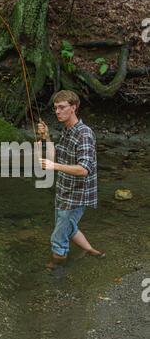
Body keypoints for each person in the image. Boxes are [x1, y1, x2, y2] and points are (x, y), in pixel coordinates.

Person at [38, 90, 105, 270]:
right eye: (56, 108)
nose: (58, 112)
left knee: (58, 238)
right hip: (63, 190)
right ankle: (91, 250)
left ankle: (56, 272)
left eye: (62, 107)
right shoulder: (67, 130)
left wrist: (53, 166)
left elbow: (84, 169)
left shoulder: (84, 134)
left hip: (77, 194)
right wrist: (46, 137)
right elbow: (56, 156)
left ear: (73, 108)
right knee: (68, 226)